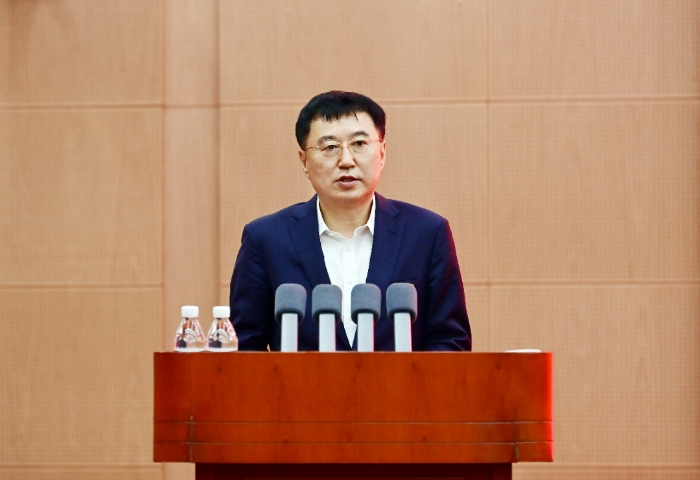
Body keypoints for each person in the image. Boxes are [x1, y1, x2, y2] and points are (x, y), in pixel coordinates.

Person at [229, 91, 471, 351]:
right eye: (330, 147)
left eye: (359, 143)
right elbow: (244, 348)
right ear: (304, 161)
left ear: (382, 153)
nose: (346, 160)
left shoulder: (426, 233)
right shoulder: (266, 240)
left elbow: (450, 343)